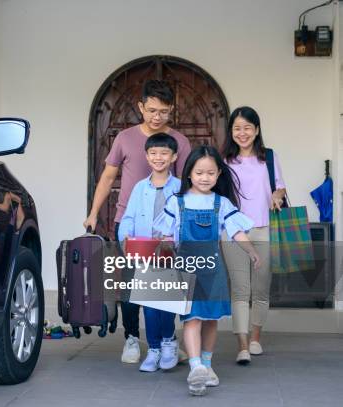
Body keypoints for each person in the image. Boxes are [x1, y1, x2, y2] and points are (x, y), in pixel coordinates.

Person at [83, 79, 191, 363]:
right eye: (152, 110)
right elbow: (108, 177)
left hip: (166, 228)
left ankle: (166, 340)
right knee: (131, 284)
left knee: (164, 285)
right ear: (141, 106)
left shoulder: (180, 141)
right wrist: (94, 213)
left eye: (164, 111)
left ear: (172, 110)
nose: (158, 117)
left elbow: (187, 186)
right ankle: (132, 338)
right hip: (129, 223)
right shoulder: (125, 138)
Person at [153, 146, 260, 396]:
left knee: (211, 319)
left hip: (213, 271)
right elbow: (166, 234)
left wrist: (251, 251)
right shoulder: (176, 202)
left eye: (210, 173)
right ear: (189, 173)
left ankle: (208, 365)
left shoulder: (220, 203)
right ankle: (195, 366)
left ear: (218, 174)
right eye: (199, 172)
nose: (205, 177)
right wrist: (165, 246)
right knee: (192, 318)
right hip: (186, 270)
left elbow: (236, 231)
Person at [220, 106, 286, 364]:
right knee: (239, 290)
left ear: (257, 130)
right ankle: (242, 344)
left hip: (262, 229)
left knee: (260, 289)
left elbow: (280, 188)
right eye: (237, 128)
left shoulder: (268, 157)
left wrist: (277, 196)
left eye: (248, 127)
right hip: (233, 232)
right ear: (231, 131)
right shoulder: (224, 160)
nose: (242, 133)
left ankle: (256, 338)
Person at [118, 133, 181, 372]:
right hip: (144, 254)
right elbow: (129, 217)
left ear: (174, 156)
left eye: (164, 153)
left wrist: (173, 238)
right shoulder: (139, 188)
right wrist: (125, 236)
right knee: (150, 304)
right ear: (146, 156)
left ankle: (169, 342)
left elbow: (183, 219)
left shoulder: (180, 187)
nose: (158, 157)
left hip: (169, 254)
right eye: (153, 153)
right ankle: (153, 348)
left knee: (166, 303)